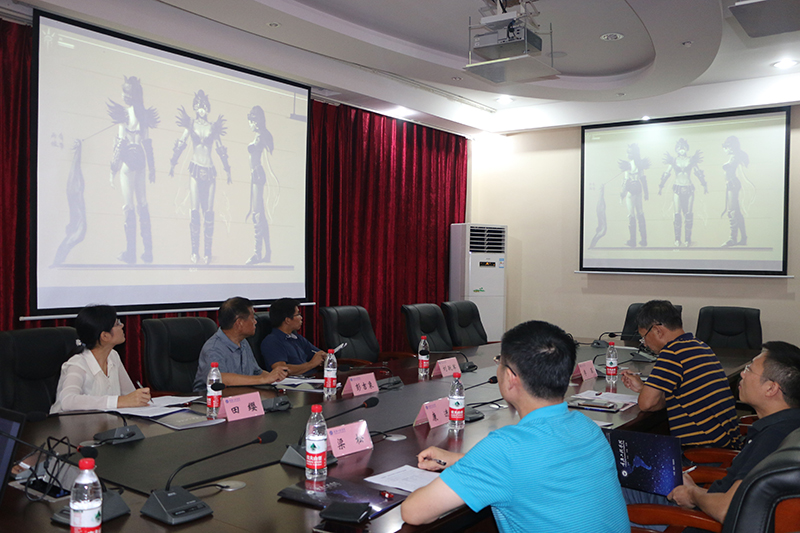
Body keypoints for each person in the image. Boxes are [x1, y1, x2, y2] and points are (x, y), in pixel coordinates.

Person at [400, 321, 629, 533]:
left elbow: (414, 512)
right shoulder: (587, 427)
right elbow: (532, 466)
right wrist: (460, 460)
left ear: (510, 378)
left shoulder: (505, 449)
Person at [625, 341, 800, 529]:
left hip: (695, 521)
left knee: (612, 488)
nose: (742, 374)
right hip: (707, 502)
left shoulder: (771, 439)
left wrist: (692, 494)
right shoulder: (787, 425)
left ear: (771, 388)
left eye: (749, 369)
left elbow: (728, 510)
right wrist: (695, 491)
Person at [621, 300, 741, 449]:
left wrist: (646, 393)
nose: (644, 344)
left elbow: (646, 404)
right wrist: (643, 388)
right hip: (726, 443)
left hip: (703, 452)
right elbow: (680, 396)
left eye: (644, 337)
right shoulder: (700, 346)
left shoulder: (672, 353)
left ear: (657, 330)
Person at [169, 89, 231, 265]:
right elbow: (181, 143)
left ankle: (208, 253)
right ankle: (195, 252)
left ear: (207, 108)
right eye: (198, 106)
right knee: (195, 213)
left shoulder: (213, 127)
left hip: (210, 171)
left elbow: (220, 149)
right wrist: (173, 162)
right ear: (195, 107)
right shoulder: (191, 125)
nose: (201, 109)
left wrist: (227, 169)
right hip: (195, 169)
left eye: (204, 106)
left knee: (209, 214)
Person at [50, 305, 150, 413]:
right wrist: (118, 401)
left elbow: (128, 394)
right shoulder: (77, 364)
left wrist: (139, 397)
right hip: (70, 423)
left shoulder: (113, 356)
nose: (122, 325)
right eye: (117, 323)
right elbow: (68, 401)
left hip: (104, 421)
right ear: (105, 336)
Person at [107, 76, 159, 264]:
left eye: (125, 91)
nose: (123, 95)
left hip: (128, 162)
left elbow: (121, 143)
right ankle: (148, 252)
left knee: (129, 206)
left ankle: (131, 254)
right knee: (143, 203)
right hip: (141, 161)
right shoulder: (143, 116)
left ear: (130, 95)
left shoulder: (124, 115)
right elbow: (147, 143)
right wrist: (152, 168)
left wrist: (113, 169)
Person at [192, 297, 288, 391]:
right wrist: (264, 379)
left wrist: (277, 379)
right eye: (252, 318)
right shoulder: (213, 348)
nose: (255, 322)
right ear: (239, 323)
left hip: (241, 396)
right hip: (210, 398)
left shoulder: (243, 342)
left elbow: (257, 372)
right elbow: (221, 378)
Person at [244, 105, 278, 265]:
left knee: (257, 214)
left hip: (258, 175)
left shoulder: (262, 136)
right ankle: (268, 252)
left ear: (255, 121)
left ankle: (258, 254)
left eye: (251, 121)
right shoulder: (260, 135)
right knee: (260, 216)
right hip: (256, 175)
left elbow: (268, 158)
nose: (249, 125)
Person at [658, 138, 707, 247]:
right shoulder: (673, 161)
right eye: (679, 148)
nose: (681, 150)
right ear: (676, 149)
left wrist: (704, 184)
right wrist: (661, 186)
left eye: (683, 148)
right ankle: (677, 239)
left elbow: (698, 173)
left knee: (688, 214)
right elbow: (666, 173)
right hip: (677, 188)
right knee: (677, 214)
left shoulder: (691, 160)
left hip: (689, 188)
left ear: (686, 149)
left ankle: (687, 239)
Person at [260, 298, 326, 375]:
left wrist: (324, 357)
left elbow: (318, 354)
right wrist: (311, 364)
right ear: (287, 320)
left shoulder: (297, 338)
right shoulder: (272, 341)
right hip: (293, 381)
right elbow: (281, 369)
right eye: (298, 314)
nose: (301, 318)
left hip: (311, 377)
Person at [720, 135, 750, 247]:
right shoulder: (734, 156)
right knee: (736, 212)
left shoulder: (734, 157)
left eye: (726, 147)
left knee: (732, 211)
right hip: (731, 184)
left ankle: (733, 238)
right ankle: (743, 238)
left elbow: (731, 168)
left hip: (732, 184)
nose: (725, 150)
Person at [619, 143, 650, 247]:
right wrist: (646, 193)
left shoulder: (628, 165)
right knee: (640, 212)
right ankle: (644, 240)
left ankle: (633, 241)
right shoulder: (640, 165)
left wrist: (622, 194)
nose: (628, 154)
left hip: (631, 190)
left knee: (631, 215)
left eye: (629, 152)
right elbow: (643, 179)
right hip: (639, 189)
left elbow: (626, 181)